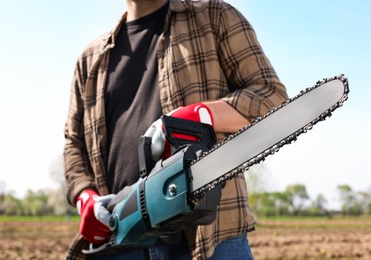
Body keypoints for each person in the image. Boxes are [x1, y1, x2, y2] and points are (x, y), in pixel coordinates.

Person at [64, 0, 288, 259]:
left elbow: (271, 98)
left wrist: (199, 115)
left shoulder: (214, 16)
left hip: (209, 238)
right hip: (120, 238)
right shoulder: (90, 59)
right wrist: (85, 197)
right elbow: (73, 143)